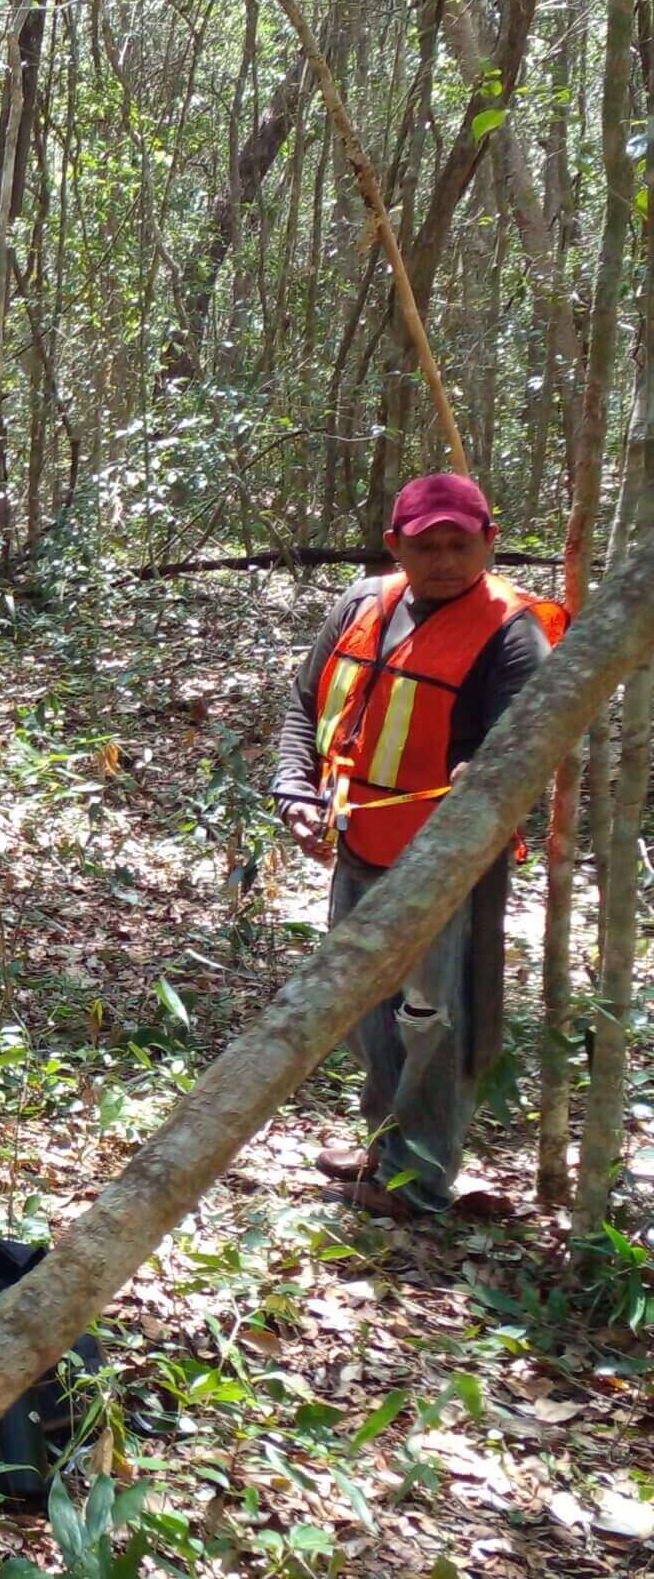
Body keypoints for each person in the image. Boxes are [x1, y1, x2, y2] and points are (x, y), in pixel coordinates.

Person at [271, 472, 559, 1219]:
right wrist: (294, 789)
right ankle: (386, 1145)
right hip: (357, 844)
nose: (444, 560)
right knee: (365, 1008)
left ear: (489, 543)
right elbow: (305, 705)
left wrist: (486, 774)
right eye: (425, 545)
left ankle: (421, 1176)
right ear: (396, 546)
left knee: (434, 1019)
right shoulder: (363, 604)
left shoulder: (513, 631)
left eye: (460, 544)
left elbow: (526, 745)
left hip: (449, 870)